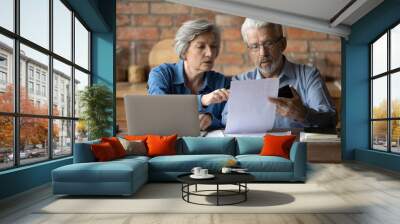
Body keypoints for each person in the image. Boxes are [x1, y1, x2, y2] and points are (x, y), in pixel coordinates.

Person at [222, 18, 336, 129]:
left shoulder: (308, 76)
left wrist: (304, 114)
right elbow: (226, 118)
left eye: (268, 43)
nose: (263, 53)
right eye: (255, 46)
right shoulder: (240, 82)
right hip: (254, 147)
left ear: (283, 44)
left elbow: (332, 119)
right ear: (249, 50)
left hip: (294, 147)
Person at [148, 19, 230, 131]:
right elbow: (158, 107)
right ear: (184, 50)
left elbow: (230, 120)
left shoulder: (222, 82)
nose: (210, 53)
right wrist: (202, 100)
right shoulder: (161, 74)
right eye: (201, 47)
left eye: (213, 46)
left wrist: (211, 120)